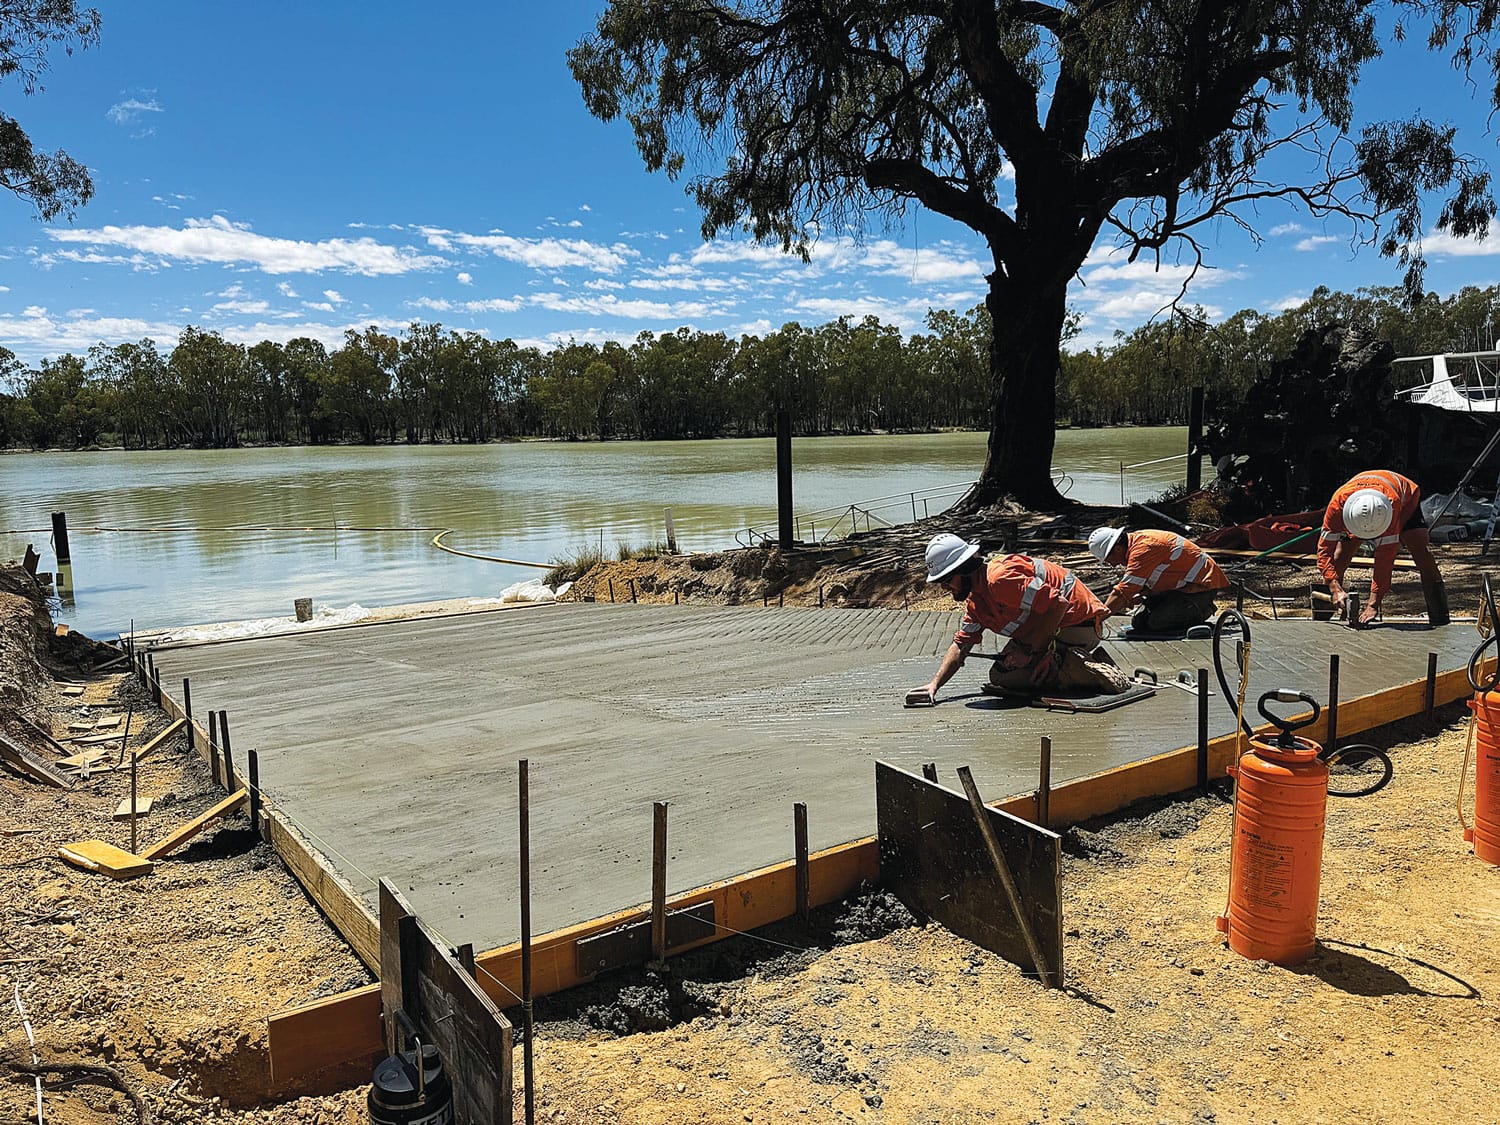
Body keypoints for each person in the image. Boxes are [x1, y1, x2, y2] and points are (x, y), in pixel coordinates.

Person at [909, 533, 1129, 705]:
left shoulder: (1000, 580)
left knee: (1026, 675)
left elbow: (1059, 605)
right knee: (1000, 675)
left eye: (947, 580)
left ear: (964, 569)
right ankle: (1066, 661)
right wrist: (934, 685)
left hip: (1079, 625)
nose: (944, 587)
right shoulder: (977, 602)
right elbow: (961, 645)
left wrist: (1033, 652)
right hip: (1055, 628)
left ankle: (1088, 670)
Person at [1317, 470, 1448, 627]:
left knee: (1422, 554)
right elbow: (1325, 552)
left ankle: (1440, 616)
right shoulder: (1336, 506)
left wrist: (1373, 605)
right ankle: (1324, 615)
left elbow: (1384, 561)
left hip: (1404, 504)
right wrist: (1334, 588)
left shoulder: (1390, 508)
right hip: (1363, 510)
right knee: (1340, 556)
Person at [1087, 526, 1230, 632]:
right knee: (1139, 622)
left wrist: (1096, 620)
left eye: (1109, 560)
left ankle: (1203, 610)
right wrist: (1141, 594)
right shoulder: (1136, 544)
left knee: (1158, 622)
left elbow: (1123, 591)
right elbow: (1149, 580)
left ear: (1117, 549)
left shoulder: (1144, 548)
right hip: (1180, 588)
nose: (1112, 565)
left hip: (1201, 586)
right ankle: (1188, 609)